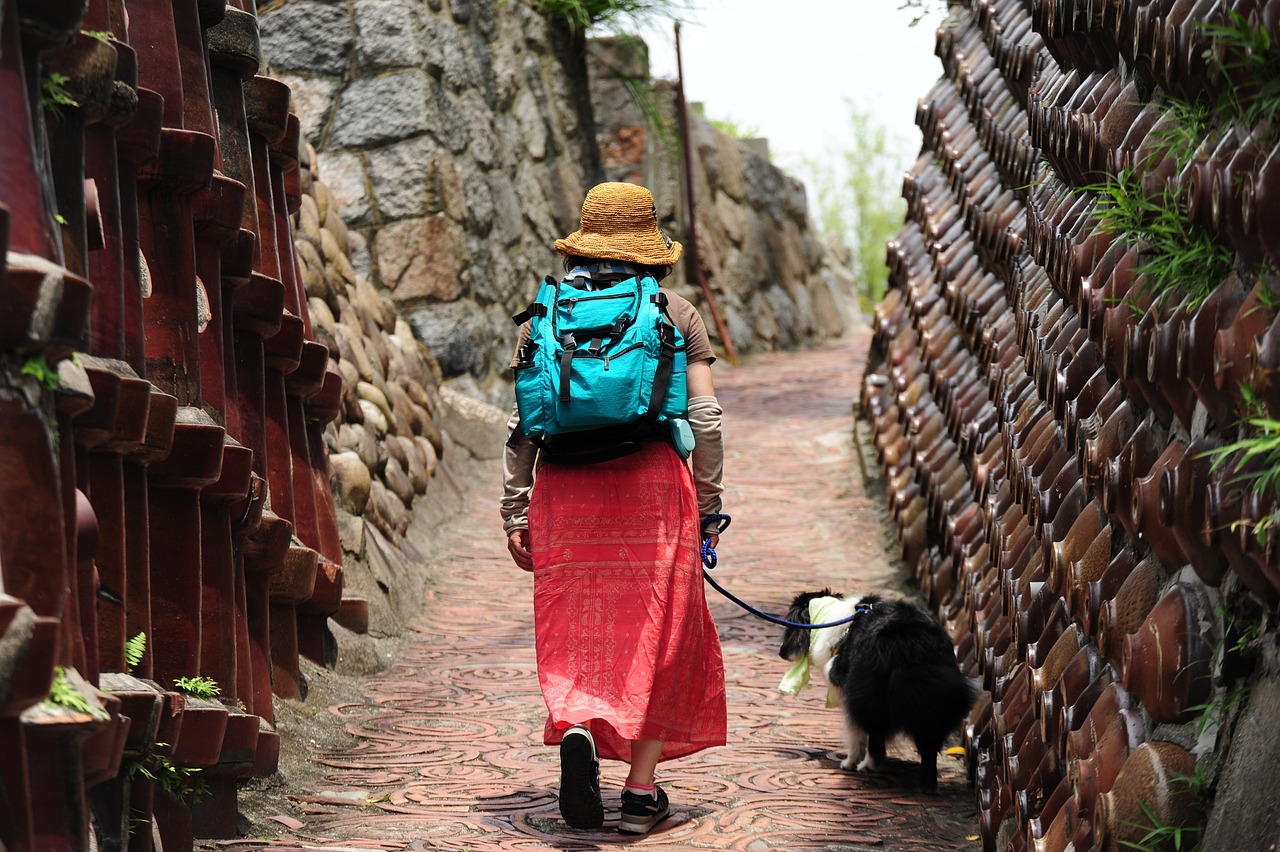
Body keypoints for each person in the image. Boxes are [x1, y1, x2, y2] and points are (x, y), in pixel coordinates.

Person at [500, 182, 728, 835]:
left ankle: (576, 725)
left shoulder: (544, 314)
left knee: (577, 627)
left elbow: (523, 424)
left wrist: (516, 510)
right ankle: (638, 792)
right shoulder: (675, 311)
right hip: (653, 488)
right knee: (662, 636)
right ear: (650, 246)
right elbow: (706, 418)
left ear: (583, 241)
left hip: (565, 490)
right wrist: (708, 505)